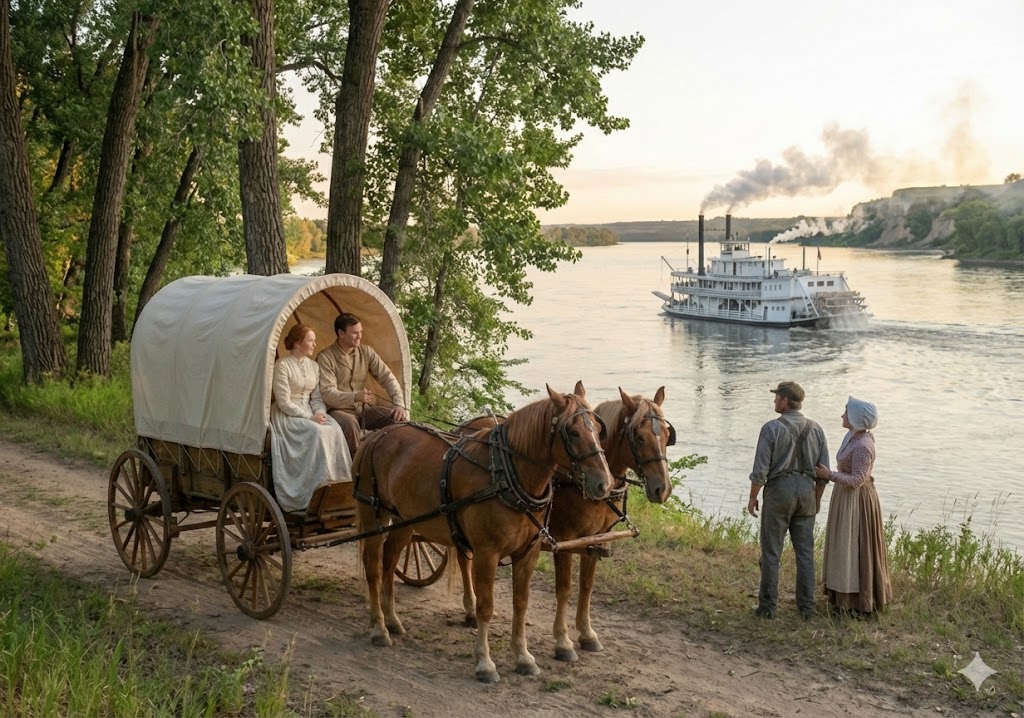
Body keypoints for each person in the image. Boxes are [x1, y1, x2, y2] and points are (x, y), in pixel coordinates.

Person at [747, 381, 830, 620]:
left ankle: (767, 608)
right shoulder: (816, 429)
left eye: (777, 397)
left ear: (785, 400)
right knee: (805, 553)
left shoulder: (771, 428)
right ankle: (807, 608)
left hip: (779, 491)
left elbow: (760, 470)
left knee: (772, 552)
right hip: (807, 491)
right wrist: (816, 499)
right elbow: (823, 472)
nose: (774, 401)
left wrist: (753, 496)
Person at [814, 397, 892, 616]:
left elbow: (857, 480)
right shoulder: (852, 436)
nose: (842, 415)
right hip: (845, 497)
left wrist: (828, 474)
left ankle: (858, 600)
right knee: (844, 545)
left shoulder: (864, 446)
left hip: (857, 502)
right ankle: (841, 595)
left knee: (855, 545)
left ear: (856, 418)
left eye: (846, 412)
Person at [270, 323, 352, 513]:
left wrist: (320, 413)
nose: (314, 344)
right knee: (317, 432)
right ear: (298, 343)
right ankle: (312, 491)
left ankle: (337, 488)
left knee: (334, 428)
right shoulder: (282, 366)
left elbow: (316, 398)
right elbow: (283, 402)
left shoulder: (314, 366)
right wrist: (309, 417)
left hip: (310, 411)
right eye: (310, 340)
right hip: (288, 415)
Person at [317, 312, 408, 455]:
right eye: (354, 333)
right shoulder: (326, 357)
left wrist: (399, 404)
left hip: (363, 411)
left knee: (397, 418)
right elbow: (328, 394)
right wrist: (354, 396)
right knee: (350, 423)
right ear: (341, 333)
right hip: (338, 411)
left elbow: (387, 377)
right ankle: (355, 469)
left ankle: (390, 465)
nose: (359, 336)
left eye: (360, 332)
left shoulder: (367, 352)